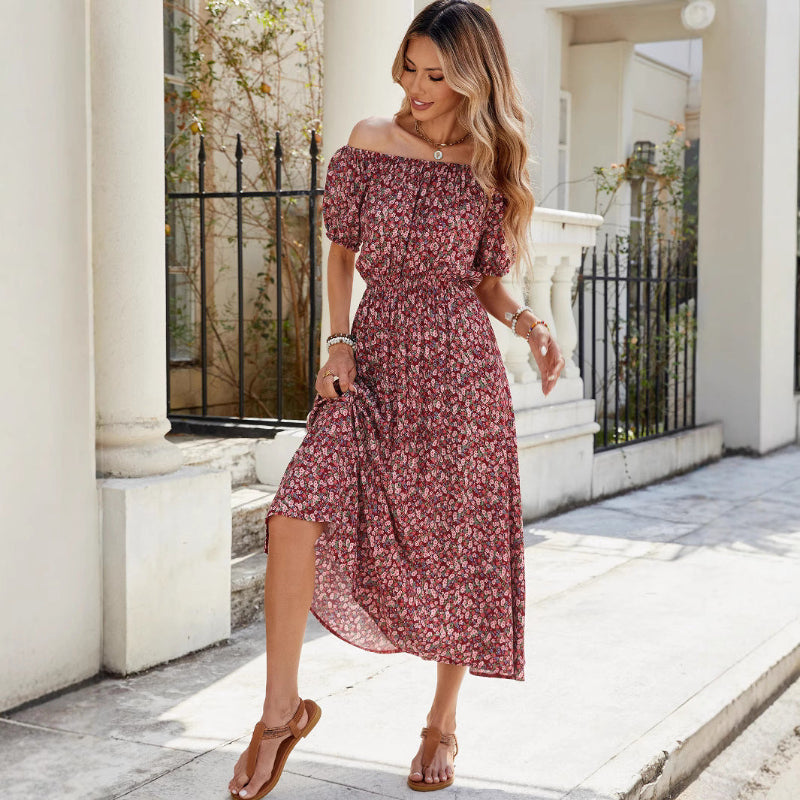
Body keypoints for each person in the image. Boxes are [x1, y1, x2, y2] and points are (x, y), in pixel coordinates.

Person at [228, 1, 566, 797]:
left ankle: (442, 722)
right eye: (410, 68)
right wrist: (337, 341)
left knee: (460, 546)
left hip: (460, 375)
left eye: (437, 74)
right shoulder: (369, 142)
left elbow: (483, 278)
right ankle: (281, 713)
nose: (417, 86)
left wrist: (527, 320)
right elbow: (341, 255)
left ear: (473, 77)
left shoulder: (491, 161)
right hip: (374, 358)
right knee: (294, 508)